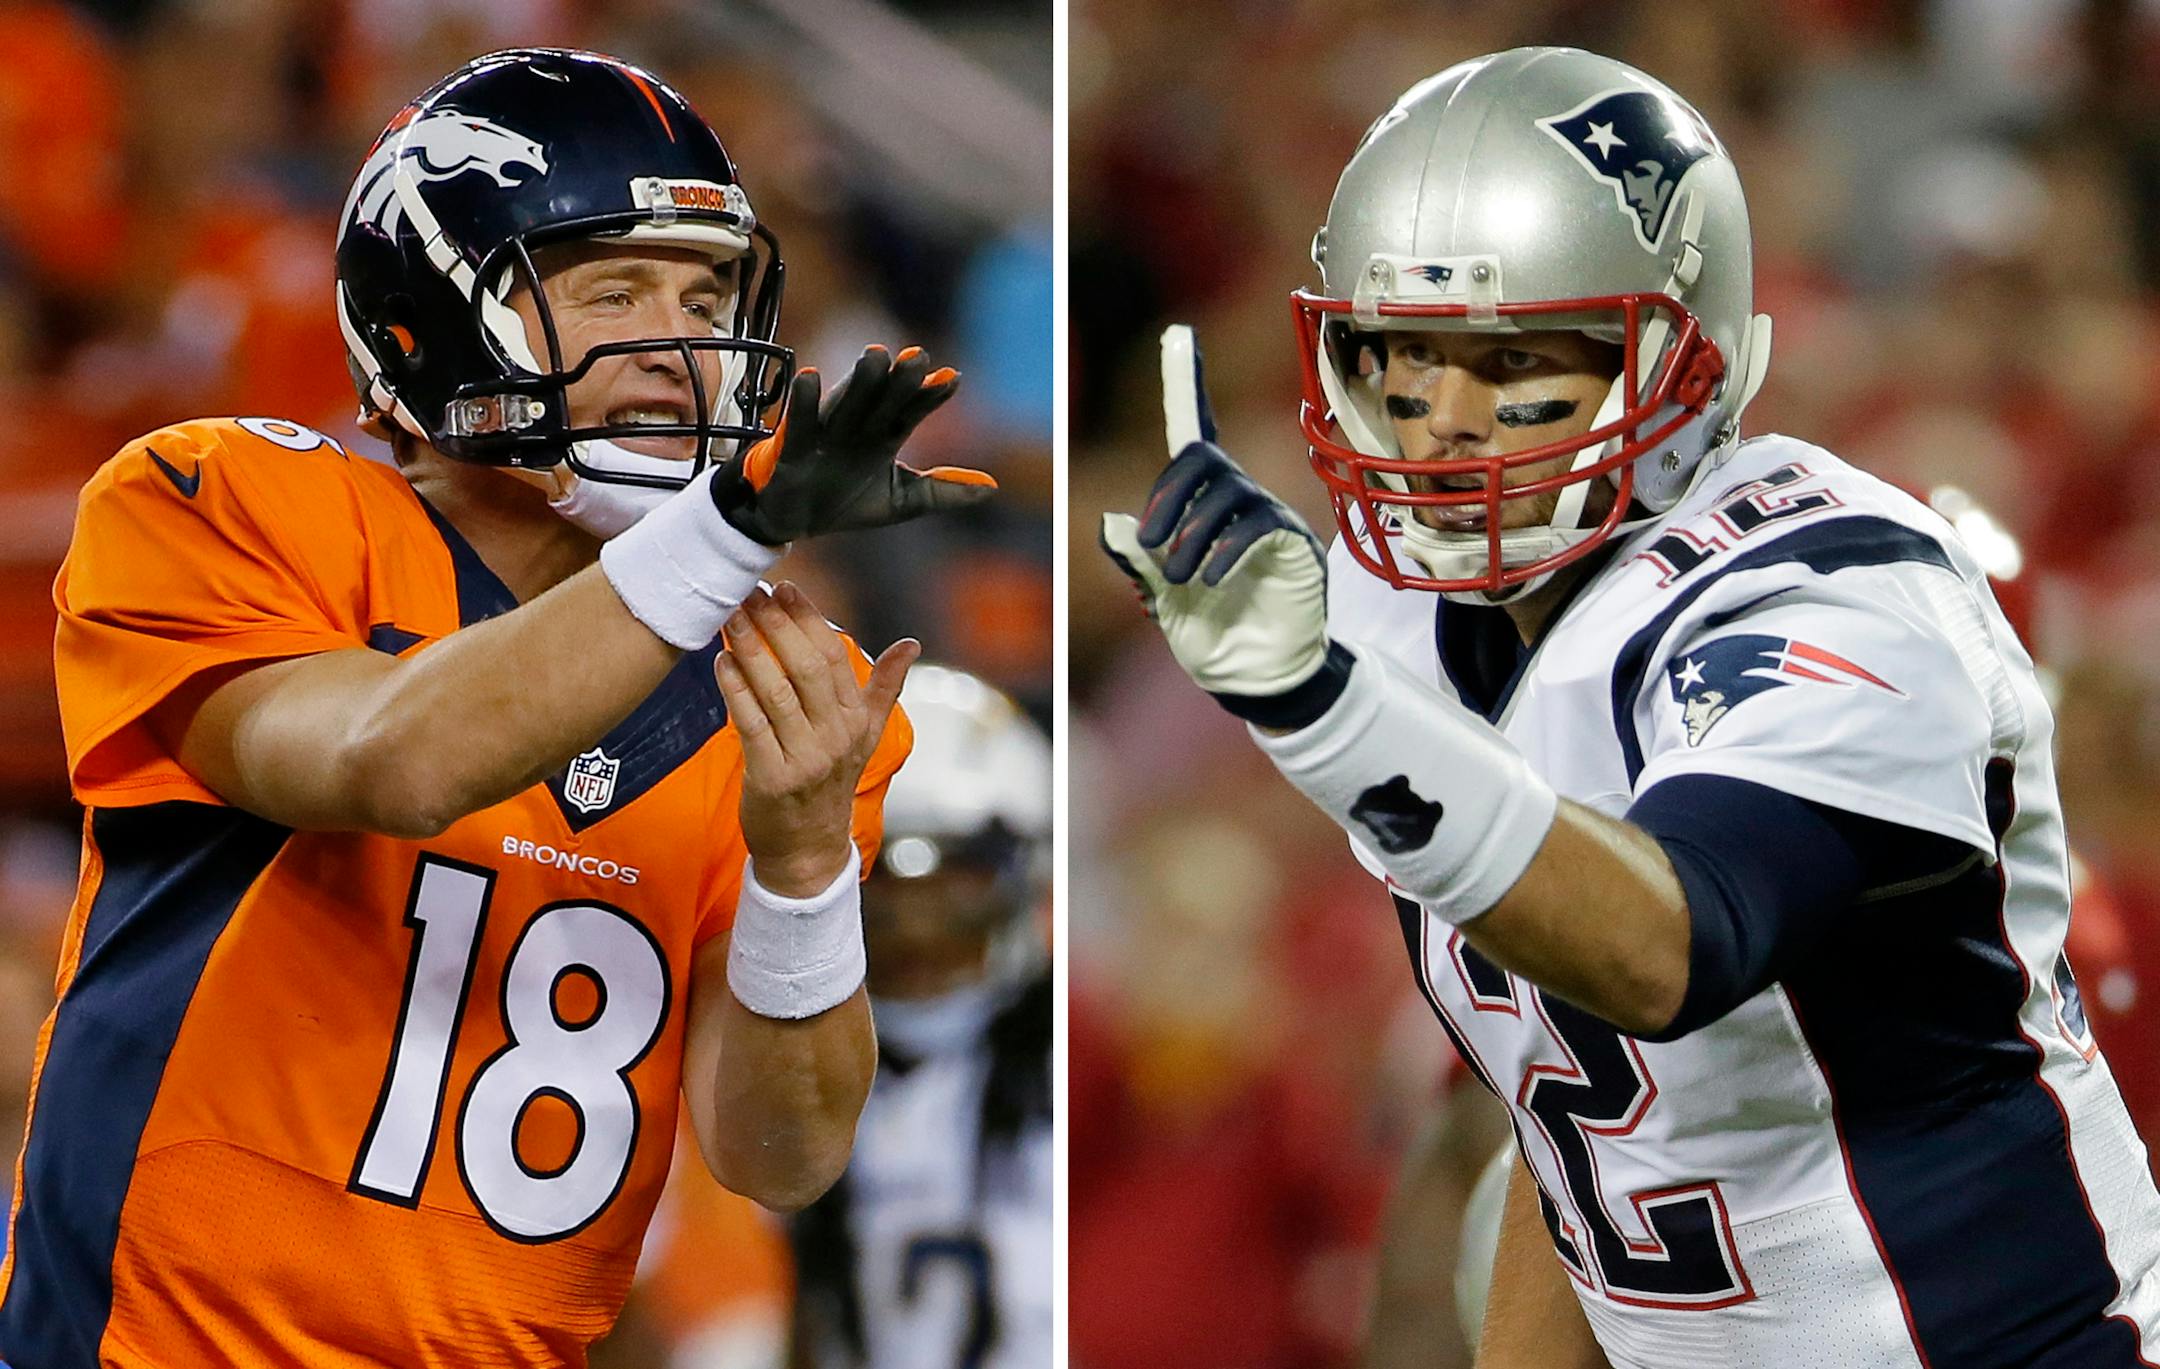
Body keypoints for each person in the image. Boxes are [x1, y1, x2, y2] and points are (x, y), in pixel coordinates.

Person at [1103, 45, 2160, 1368]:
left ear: (1685, 360)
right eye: (1407, 359)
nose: (1443, 424)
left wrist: (1330, 715)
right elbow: (1592, 1139)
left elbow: (1673, 947)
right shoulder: (1391, 608)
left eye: (1513, 361)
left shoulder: (1839, 595)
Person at [0, 47, 993, 1366]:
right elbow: (389, 758)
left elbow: (779, 1153)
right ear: (428, 317)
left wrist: (804, 869)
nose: (683, 348)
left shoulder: (768, 682)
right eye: (617, 290)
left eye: (706, 298)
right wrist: (724, 532)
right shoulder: (229, 501)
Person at [789, 664, 1052, 1369]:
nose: (915, 928)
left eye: (955, 883)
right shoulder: (766, 1072)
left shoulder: (1078, 1069)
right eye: (883, 884)